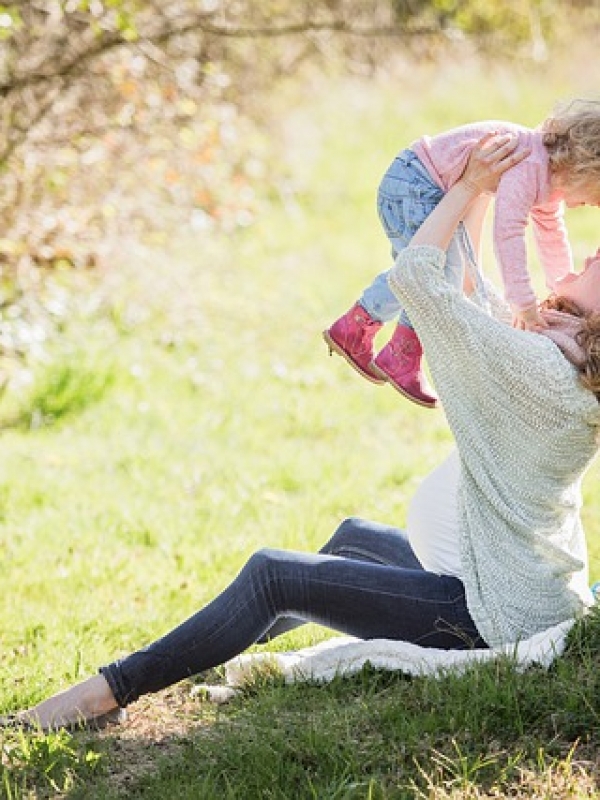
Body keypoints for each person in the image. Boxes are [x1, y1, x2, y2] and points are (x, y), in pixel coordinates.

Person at [6, 134, 600, 733]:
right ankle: (198, 647)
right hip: (504, 579)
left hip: (490, 613)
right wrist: (482, 188)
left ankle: (106, 693)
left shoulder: (541, 370)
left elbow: (420, 279)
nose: (584, 259)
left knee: (275, 575)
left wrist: (468, 185)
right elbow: (469, 290)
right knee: (352, 539)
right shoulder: (555, 354)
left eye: (597, 266)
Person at [323, 99, 600, 408]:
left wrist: (559, 290)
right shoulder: (531, 166)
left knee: (428, 271)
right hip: (416, 185)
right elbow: (507, 233)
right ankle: (396, 352)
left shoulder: (549, 178)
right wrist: (523, 303)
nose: (593, 205)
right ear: (585, 168)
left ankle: (360, 329)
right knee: (432, 273)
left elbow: (551, 234)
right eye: (595, 196)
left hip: (416, 182)